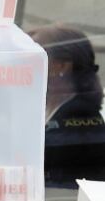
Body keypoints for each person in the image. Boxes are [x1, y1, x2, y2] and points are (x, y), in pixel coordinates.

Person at [29, 25, 105, 189]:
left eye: (35, 57)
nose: (26, 65)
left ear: (61, 66)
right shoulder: (42, 108)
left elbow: (57, 189)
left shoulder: (80, 123)